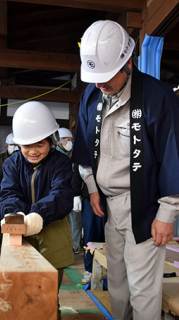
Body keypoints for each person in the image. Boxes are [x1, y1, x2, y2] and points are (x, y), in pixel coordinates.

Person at [71, 20, 179, 320]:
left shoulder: (158, 98)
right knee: (117, 285)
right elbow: (83, 149)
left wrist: (167, 213)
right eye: (95, 77)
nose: (99, 84)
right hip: (108, 205)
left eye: (106, 76)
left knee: (143, 290)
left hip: (144, 205)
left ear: (128, 62)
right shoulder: (92, 97)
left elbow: (173, 156)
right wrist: (92, 188)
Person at [0, 101, 74, 320]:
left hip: (54, 232)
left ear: (51, 141)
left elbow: (61, 194)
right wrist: (17, 216)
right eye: (26, 145)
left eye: (39, 144)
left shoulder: (60, 163)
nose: (33, 151)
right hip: (21, 234)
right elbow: (8, 193)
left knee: (48, 297)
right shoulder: (12, 164)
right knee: (23, 295)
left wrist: (38, 215)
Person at [72, 163, 105, 284]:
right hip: (90, 196)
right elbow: (78, 168)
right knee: (91, 234)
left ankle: (117, 270)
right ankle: (89, 269)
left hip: (115, 195)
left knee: (114, 236)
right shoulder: (86, 144)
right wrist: (76, 193)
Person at [0, 133, 19, 255]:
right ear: (7, 145)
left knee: (13, 223)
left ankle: (10, 249)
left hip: (15, 197)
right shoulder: (0, 160)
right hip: (1, 196)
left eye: (15, 145)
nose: (13, 147)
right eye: (11, 145)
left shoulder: (23, 160)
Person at [56, 127, 83, 255]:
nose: (70, 143)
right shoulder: (54, 157)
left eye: (71, 140)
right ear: (60, 142)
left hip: (74, 195)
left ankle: (74, 247)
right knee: (60, 224)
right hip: (59, 196)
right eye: (67, 140)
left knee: (75, 222)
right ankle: (60, 249)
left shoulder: (74, 157)